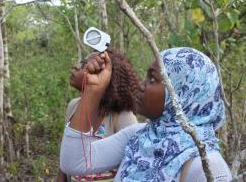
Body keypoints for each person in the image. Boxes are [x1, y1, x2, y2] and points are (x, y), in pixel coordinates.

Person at [60, 47, 232, 181]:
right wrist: (93, 91)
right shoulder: (138, 137)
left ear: (181, 93)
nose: (142, 86)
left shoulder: (206, 166)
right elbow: (74, 162)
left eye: (152, 79)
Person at [57, 49, 140, 182]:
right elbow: (66, 158)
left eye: (85, 64)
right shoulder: (74, 106)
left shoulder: (123, 116)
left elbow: (132, 166)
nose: (76, 66)